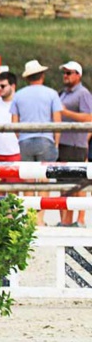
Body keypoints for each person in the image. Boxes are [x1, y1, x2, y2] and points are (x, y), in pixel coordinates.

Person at [56, 61, 92, 227]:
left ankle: (77, 219)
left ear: (78, 75)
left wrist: (65, 112)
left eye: (69, 73)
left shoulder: (83, 93)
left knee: (75, 184)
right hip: (63, 143)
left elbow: (89, 117)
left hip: (75, 144)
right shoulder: (63, 93)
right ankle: (65, 219)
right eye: (64, 73)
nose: (65, 76)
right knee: (63, 184)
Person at [12, 60, 62, 163]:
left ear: (27, 78)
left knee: (28, 174)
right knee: (45, 174)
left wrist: (20, 137)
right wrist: (56, 143)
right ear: (42, 75)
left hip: (25, 140)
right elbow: (58, 121)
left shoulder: (18, 95)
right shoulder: (52, 94)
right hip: (45, 139)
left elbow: (14, 122)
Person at [0, 71, 20, 162]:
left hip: (16, 152)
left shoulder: (20, 102)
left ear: (13, 86)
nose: (0, 88)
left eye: (3, 86)